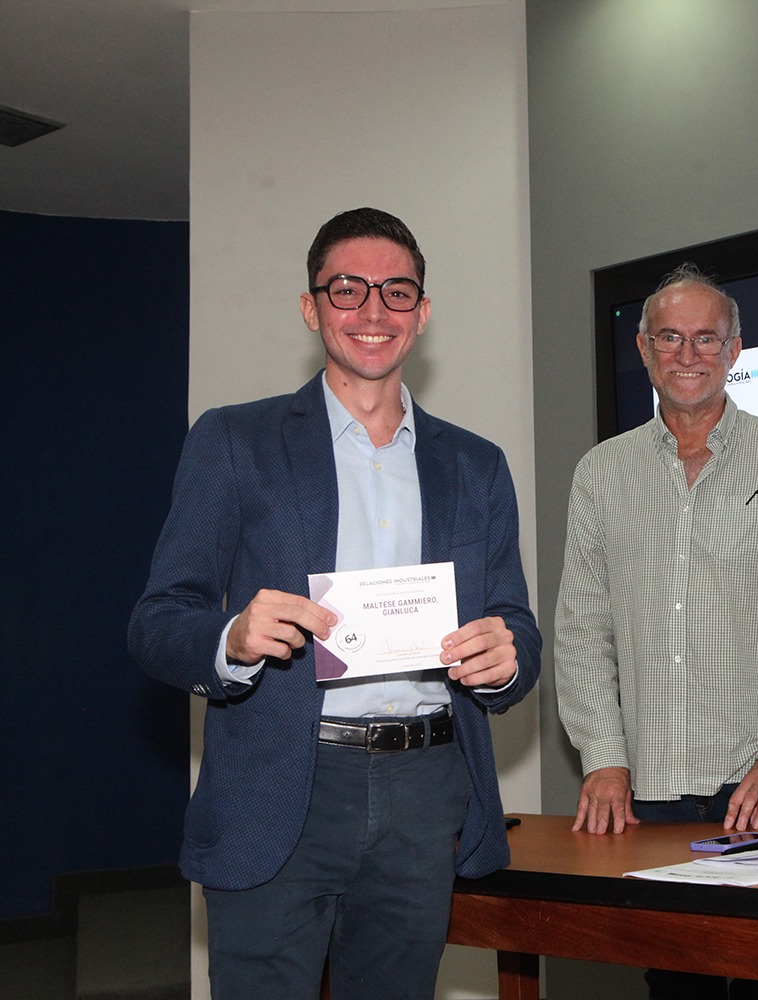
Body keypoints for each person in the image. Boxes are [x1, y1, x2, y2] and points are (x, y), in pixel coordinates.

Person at [128, 208, 542, 998]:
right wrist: (232, 637)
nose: (373, 310)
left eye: (396, 291)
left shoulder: (476, 465)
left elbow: (514, 623)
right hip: (281, 785)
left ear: (422, 312)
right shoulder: (234, 441)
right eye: (347, 289)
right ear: (311, 307)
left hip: (426, 791)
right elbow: (158, 622)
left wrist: (506, 657)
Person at [554, 263, 758, 1000]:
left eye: (706, 338)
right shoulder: (601, 473)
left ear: (735, 350)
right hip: (647, 783)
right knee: (674, 982)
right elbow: (581, 629)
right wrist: (603, 759)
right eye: (669, 337)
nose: (687, 354)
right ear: (643, 347)